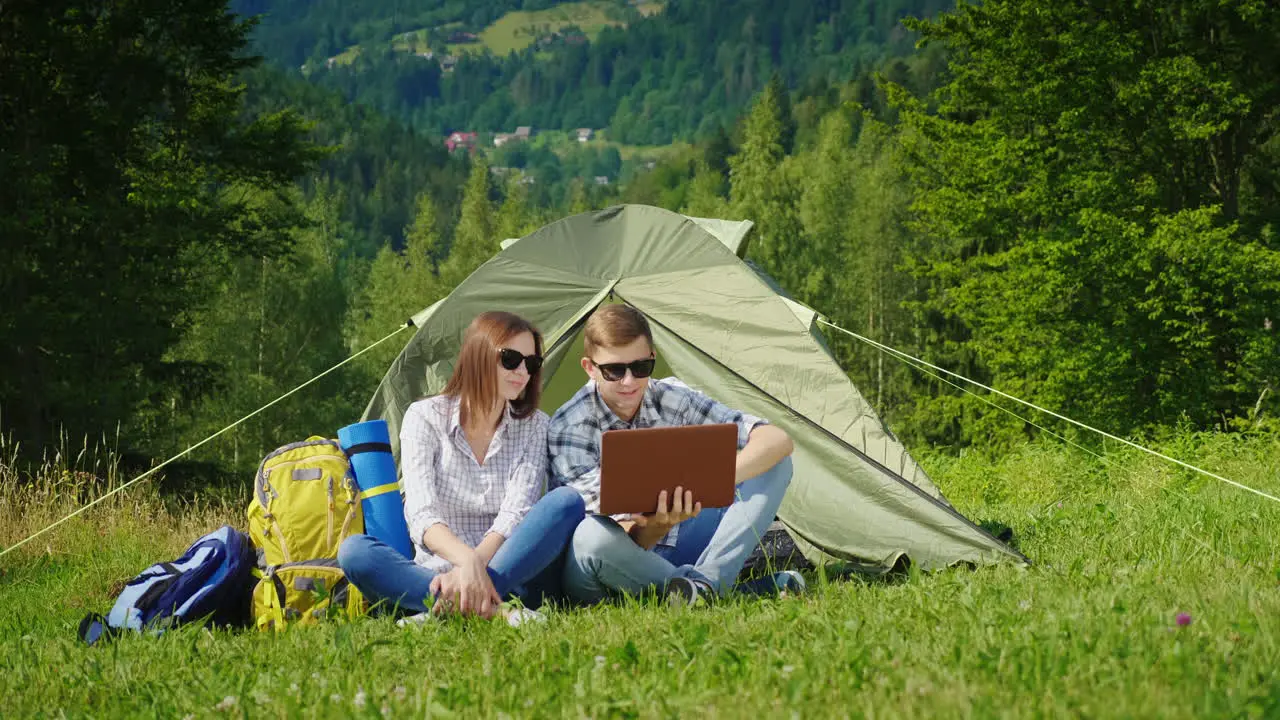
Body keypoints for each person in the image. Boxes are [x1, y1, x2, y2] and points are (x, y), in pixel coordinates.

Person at [339, 311, 585, 626]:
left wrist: (475, 566)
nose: (522, 371)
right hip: (436, 574)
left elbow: (516, 513)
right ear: (478, 356)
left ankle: (443, 610)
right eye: (510, 359)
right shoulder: (424, 417)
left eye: (532, 363)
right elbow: (422, 516)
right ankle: (498, 612)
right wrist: (465, 560)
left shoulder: (536, 426)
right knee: (355, 552)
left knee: (565, 501)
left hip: (510, 570)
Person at [548, 304, 802, 607]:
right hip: (611, 563)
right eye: (614, 370)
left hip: (680, 538)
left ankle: (703, 585)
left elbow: (777, 439)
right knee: (590, 538)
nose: (629, 381)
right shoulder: (569, 426)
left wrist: (713, 480)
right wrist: (659, 522)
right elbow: (624, 537)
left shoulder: (672, 397)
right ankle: (719, 591)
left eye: (640, 367)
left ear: (653, 359)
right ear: (590, 368)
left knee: (773, 463)